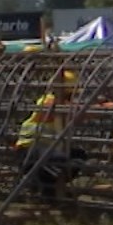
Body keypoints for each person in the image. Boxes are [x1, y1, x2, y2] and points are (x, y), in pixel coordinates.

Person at [14, 69, 83, 206]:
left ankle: (50, 189)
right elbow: (65, 111)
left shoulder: (62, 103)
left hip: (47, 149)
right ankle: (41, 189)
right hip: (31, 150)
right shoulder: (47, 100)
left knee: (78, 156)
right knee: (58, 161)